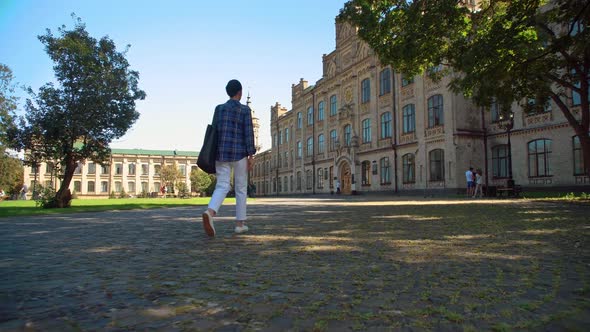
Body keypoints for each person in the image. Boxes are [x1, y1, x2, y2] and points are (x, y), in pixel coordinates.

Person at [202, 79, 256, 237]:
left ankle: (210, 212)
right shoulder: (245, 110)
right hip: (239, 153)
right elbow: (248, 133)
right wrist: (251, 154)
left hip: (221, 152)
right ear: (239, 92)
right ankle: (240, 224)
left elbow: (214, 131)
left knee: (222, 185)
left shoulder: (219, 109)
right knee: (240, 188)